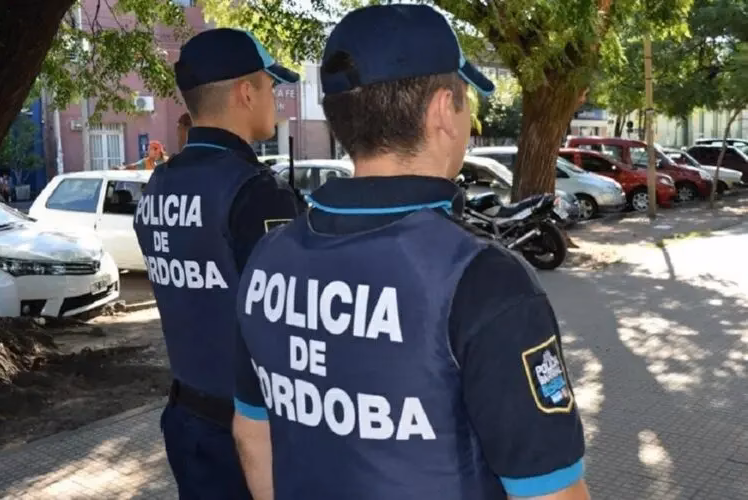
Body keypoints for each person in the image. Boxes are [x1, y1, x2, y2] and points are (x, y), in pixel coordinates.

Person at [233, 4, 590, 500]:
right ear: (443, 111)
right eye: (465, 102)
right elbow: (550, 492)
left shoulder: (268, 259)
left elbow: (253, 436)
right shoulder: (484, 279)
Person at [133, 27, 304, 500]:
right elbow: (288, 322)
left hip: (187, 419)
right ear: (246, 93)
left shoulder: (159, 185)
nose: (276, 99)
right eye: (271, 86)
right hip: (251, 430)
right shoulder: (254, 190)